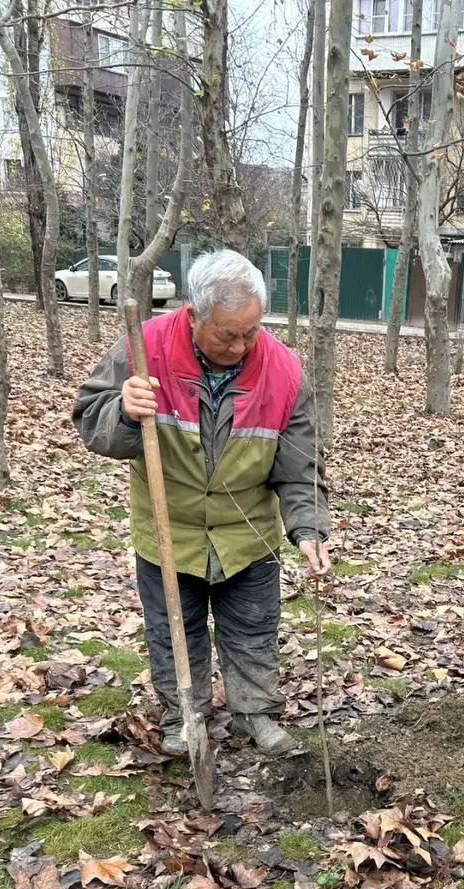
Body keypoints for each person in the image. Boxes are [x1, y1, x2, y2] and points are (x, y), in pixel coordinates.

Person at [73, 248, 329, 758]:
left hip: (247, 534)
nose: (241, 345)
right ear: (194, 315)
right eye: (227, 334)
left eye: (251, 331)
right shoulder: (145, 348)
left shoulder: (283, 370)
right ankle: (184, 715)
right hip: (169, 529)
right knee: (173, 631)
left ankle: (255, 712)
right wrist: (123, 411)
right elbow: (90, 418)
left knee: (253, 627)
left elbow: (301, 464)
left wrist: (308, 529)